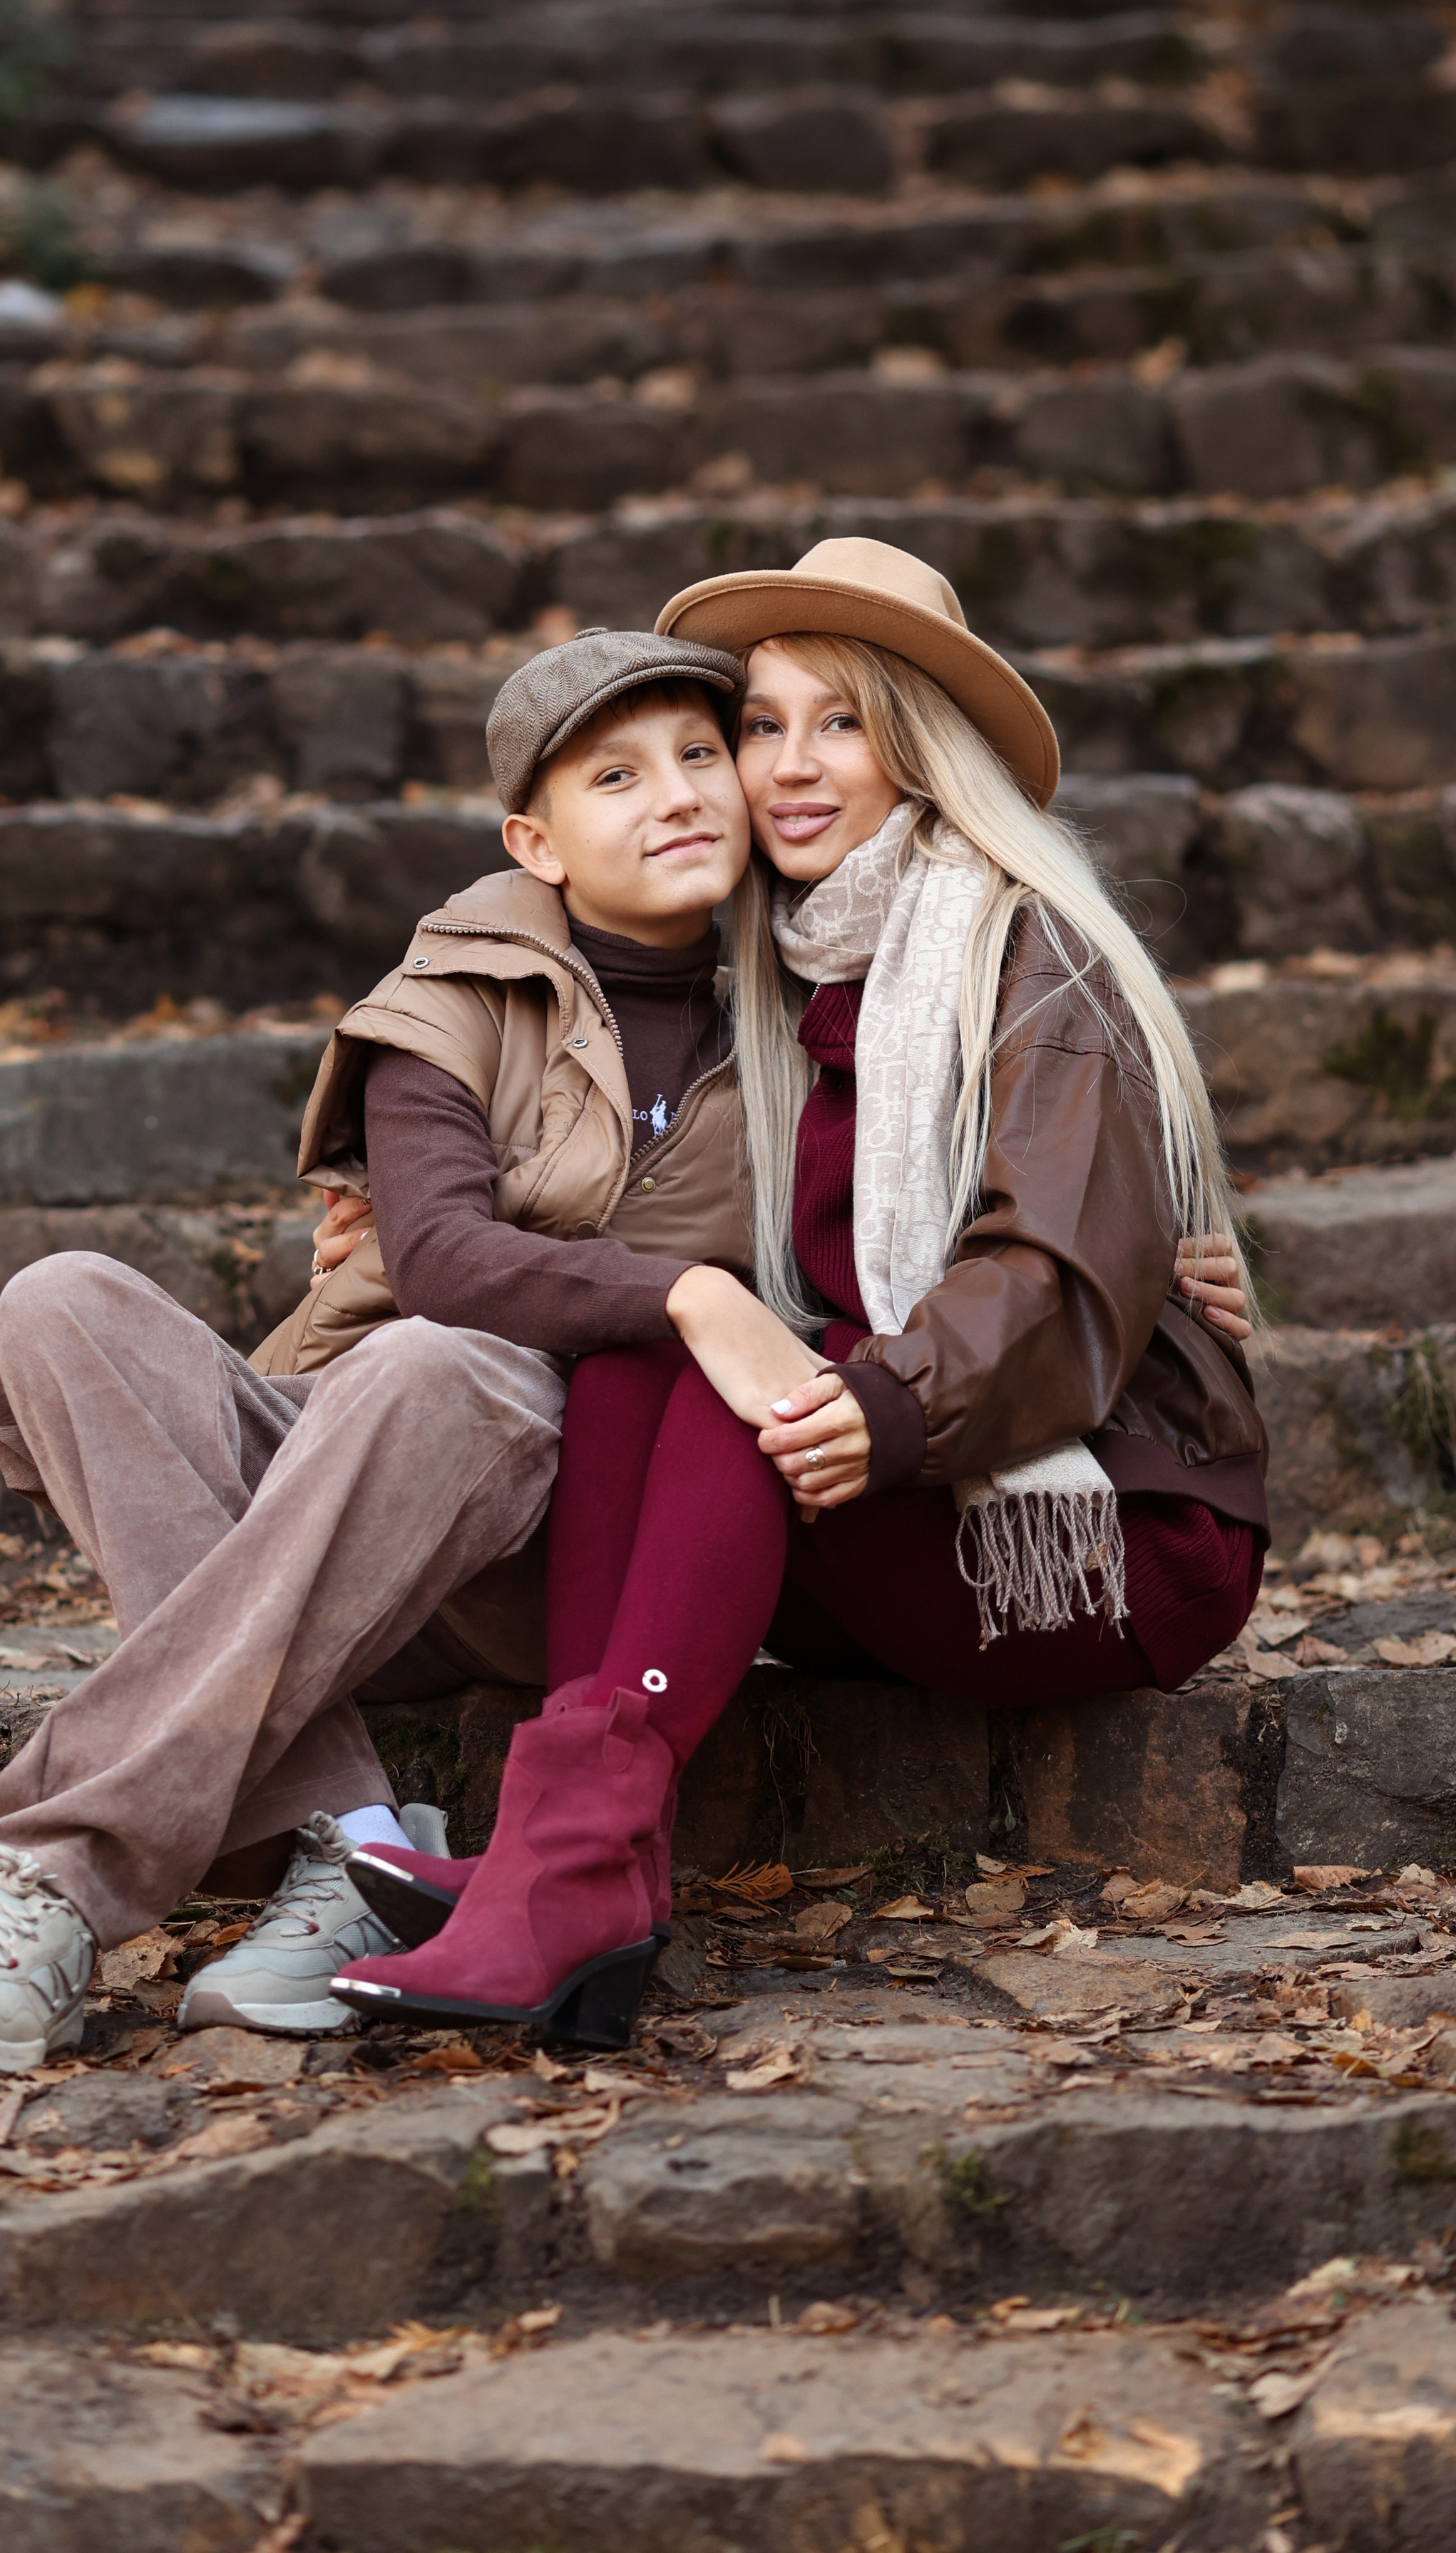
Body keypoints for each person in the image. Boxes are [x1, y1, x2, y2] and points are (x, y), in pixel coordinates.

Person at [331, 537, 1266, 2048]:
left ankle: (565, 1866)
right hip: (901, 1497)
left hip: (1094, 1531)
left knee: (725, 1364)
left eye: (842, 721)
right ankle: (573, 1863)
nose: (787, 765)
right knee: (655, 1341)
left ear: (919, 744)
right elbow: (600, 1151)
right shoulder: (789, 975)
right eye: (759, 725)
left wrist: (886, 1401)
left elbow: (1051, 1268)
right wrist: (379, 1211)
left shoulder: (1024, 948)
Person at [0, 626, 762, 2072]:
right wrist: (686, 1291)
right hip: (343, 1492)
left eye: (702, 754)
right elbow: (447, 1254)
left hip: (556, 1532)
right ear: (533, 843)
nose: (677, 794)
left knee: (442, 1364)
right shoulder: (449, 998)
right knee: (58, 1300)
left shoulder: (808, 999)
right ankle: (353, 1841)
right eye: (616, 775)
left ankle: (56, 1880)